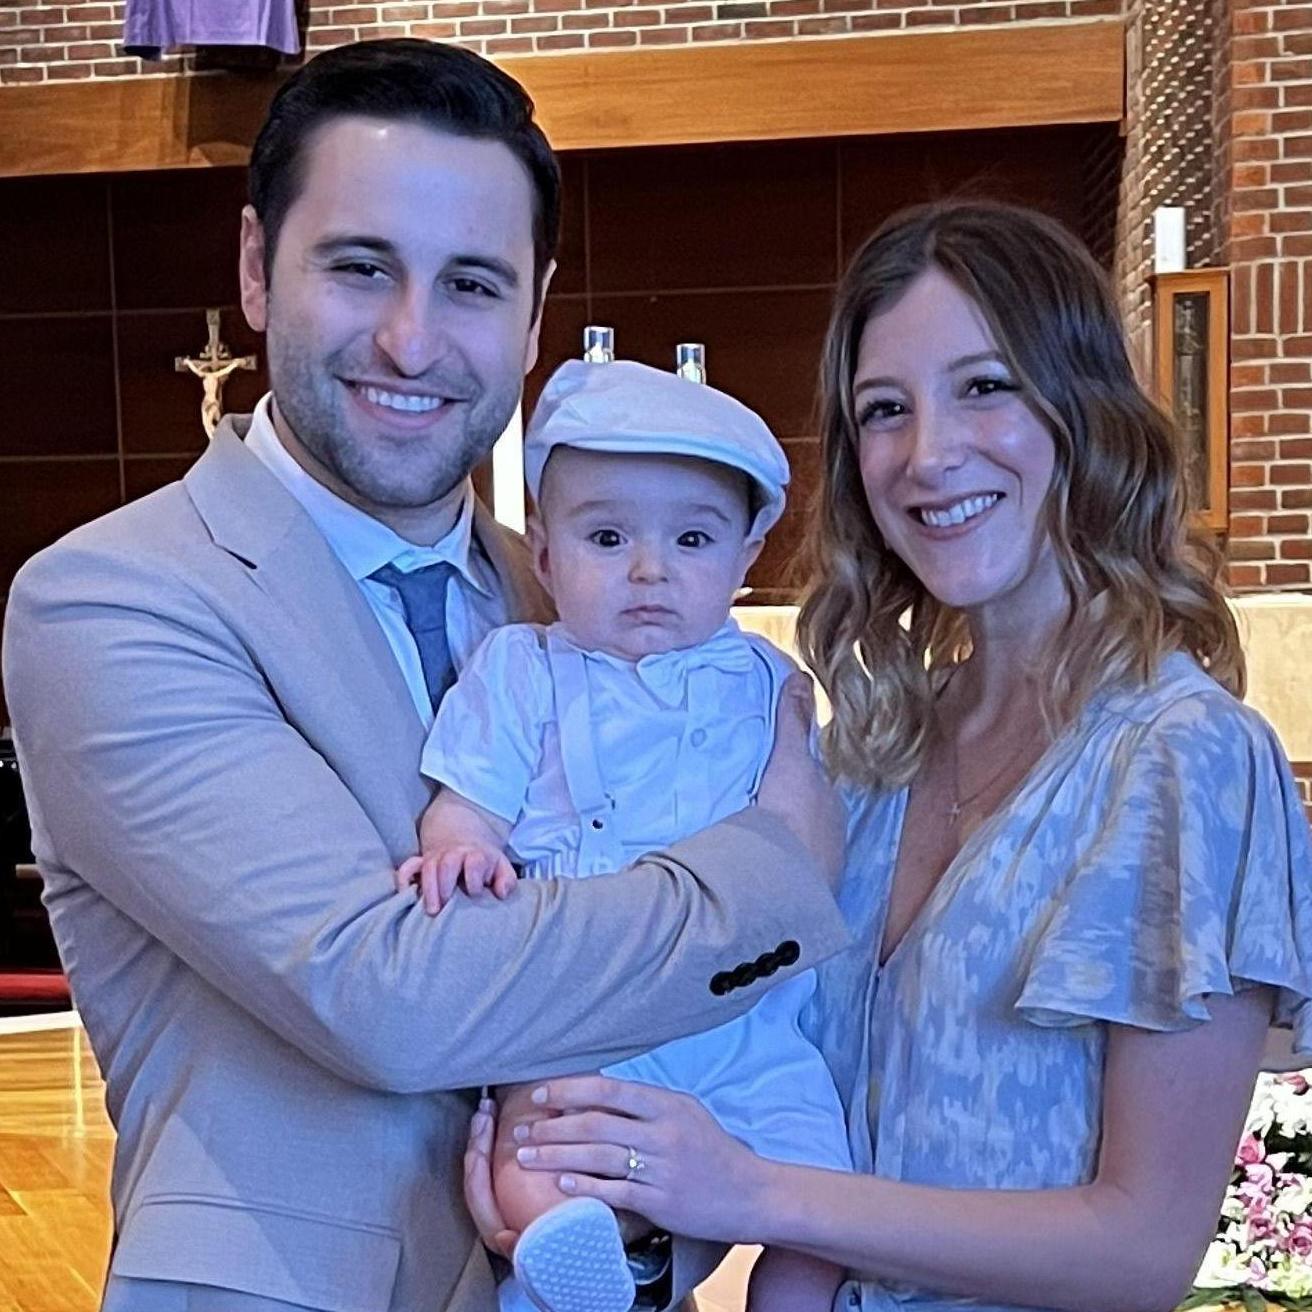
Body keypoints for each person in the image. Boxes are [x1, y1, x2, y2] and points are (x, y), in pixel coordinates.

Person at [0, 38, 851, 1312]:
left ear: (532, 313)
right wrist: (776, 869)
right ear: (256, 267)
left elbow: (676, 1030)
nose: (411, 340)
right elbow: (385, 990)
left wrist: (636, 1238)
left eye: (470, 283)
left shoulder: (566, 593)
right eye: (359, 267)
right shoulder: (115, 597)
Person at [473, 200, 1312, 1312]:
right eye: (884, 409)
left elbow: (1143, 1248)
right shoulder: (866, 753)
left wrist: (758, 1194)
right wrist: (615, 1218)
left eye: (984, 386)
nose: (928, 454)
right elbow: (755, 1088)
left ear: (1083, 409)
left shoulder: (1185, 759)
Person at [398, 358, 850, 1312]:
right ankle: (572, 1258)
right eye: (607, 538)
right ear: (545, 556)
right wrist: (461, 844)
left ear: (745, 558)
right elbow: (469, 797)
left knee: (819, 1204)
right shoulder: (522, 669)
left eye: (693, 539)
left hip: (748, 1026)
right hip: (584, 1009)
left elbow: (806, 839)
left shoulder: (767, 682)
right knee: (538, 1147)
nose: (651, 570)